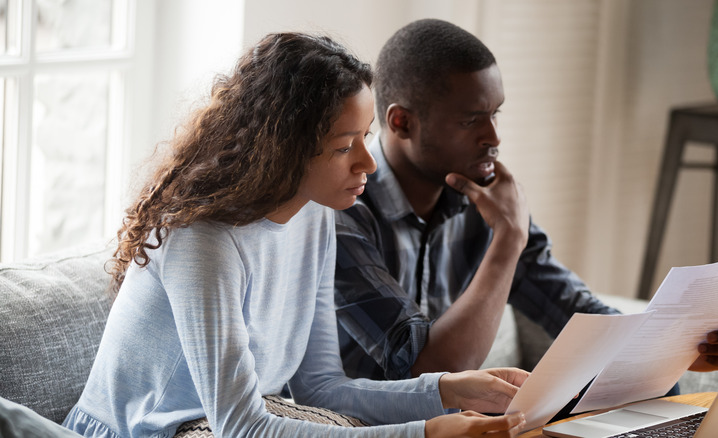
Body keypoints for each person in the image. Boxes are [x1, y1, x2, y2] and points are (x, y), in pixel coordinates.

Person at [62, 32, 531, 438]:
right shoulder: (202, 240)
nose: (367, 164)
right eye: (344, 147)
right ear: (283, 150)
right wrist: (426, 431)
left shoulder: (315, 216)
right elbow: (241, 427)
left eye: (365, 139)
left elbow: (321, 388)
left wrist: (453, 387)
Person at [333, 18, 718, 383]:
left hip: (465, 423)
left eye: (495, 115)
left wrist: (679, 345)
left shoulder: (482, 199)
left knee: (654, 393)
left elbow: (572, 310)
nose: (493, 138)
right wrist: (508, 238)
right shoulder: (344, 214)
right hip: (361, 425)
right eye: (471, 120)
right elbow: (429, 370)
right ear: (401, 122)